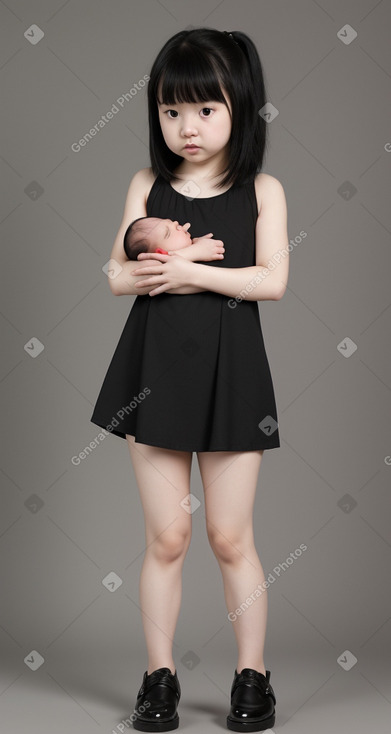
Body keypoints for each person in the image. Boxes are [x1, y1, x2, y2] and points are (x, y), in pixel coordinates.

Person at [90, 27, 289, 732]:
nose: (187, 126)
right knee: (166, 540)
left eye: (204, 108)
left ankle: (252, 675)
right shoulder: (146, 184)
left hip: (231, 373)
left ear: (240, 104)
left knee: (231, 537)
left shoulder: (261, 189)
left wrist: (183, 272)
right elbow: (115, 275)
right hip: (152, 374)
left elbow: (272, 280)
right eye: (171, 110)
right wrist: (150, 274)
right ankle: (159, 678)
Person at [123, 215, 225, 262]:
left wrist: (198, 244)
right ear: (160, 254)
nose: (177, 224)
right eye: (168, 233)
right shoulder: (160, 274)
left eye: (172, 223)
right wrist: (196, 251)